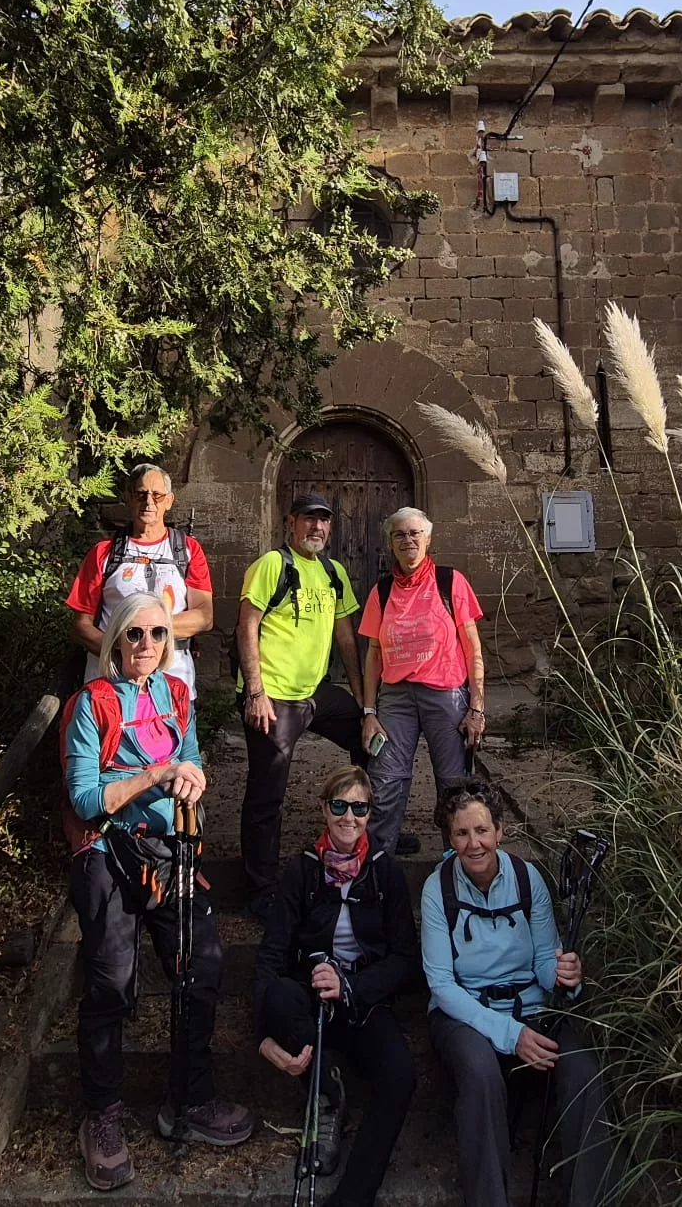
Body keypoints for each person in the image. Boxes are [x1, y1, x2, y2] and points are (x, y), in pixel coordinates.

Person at [60, 593, 254, 1190]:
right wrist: (154, 775)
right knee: (112, 982)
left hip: (171, 853)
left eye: (158, 635)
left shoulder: (175, 695)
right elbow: (86, 800)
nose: (147, 645)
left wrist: (193, 777)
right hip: (107, 854)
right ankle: (103, 1115)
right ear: (116, 640)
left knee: (203, 965)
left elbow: (190, 756)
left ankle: (189, 1099)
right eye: (135, 634)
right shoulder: (90, 704)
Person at [421, 782, 614, 1207]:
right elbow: (441, 985)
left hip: (533, 1008)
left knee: (584, 1071)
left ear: (500, 831)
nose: (474, 844)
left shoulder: (528, 879)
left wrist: (566, 974)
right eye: (461, 834)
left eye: (482, 831)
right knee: (480, 1072)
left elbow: (545, 962)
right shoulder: (438, 889)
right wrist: (510, 1035)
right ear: (449, 839)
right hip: (466, 1014)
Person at [254, 765, 418, 1207]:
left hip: (362, 1001)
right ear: (325, 809)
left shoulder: (385, 873)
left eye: (360, 807)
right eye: (340, 806)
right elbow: (271, 954)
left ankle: (352, 1198)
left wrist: (353, 985)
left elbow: (406, 960)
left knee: (400, 1075)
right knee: (280, 994)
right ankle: (327, 1091)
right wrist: (263, 1036)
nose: (350, 817)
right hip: (311, 1002)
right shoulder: (302, 871)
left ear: (370, 814)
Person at [238, 492, 368, 917]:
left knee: (373, 742)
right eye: (309, 519)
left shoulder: (333, 572)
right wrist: (255, 692)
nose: (317, 528)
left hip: (315, 694)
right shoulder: (272, 566)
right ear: (290, 523)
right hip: (273, 696)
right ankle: (259, 886)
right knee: (267, 792)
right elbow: (246, 627)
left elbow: (346, 639)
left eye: (324, 521)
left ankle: (372, 828)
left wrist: (367, 707)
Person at [358, 507, 487, 856]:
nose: (408, 539)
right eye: (400, 534)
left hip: (446, 696)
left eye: (415, 533)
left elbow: (473, 648)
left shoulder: (450, 582)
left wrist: (477, 709)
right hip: (396, 699)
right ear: (390, 543)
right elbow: (372, 654)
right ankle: (377, 866)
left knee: (454, 786)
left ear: (428, 539)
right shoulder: (382, 591)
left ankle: (459, 864)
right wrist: (369, 711)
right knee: (385, 781)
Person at [65, 464, 214, 696]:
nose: (149, 502)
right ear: (128, 498)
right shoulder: (103, 553)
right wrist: (121, 652)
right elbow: (81, 625)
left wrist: (146, 634)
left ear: (169, 500)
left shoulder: (187, 550)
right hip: (110, 686)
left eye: (157, 495)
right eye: (140, 494)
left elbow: (204, 617)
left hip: (172, 684)